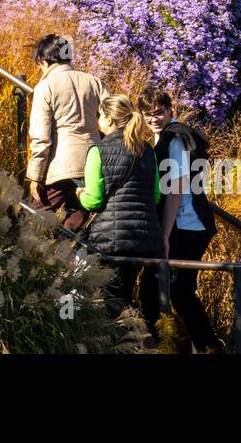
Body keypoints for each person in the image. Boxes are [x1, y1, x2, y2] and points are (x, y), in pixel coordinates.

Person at [146, 90, 225, 353]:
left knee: (166, 290)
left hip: (186, 224)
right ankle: (202, 346)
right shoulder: (165, 138)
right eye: (147, 115)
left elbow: (176, 189)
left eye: (158, 112)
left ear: (170, 109)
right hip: (188, 224)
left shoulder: (175, 138)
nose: (153, 118)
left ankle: (203, 347)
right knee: (177, 291)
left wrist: (165, 236)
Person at [78, 94, 163, 321]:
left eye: (99, 116)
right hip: (143, 239)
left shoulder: (99, 150)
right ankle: (134, 337)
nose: (97, 120)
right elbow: (155, 196)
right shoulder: (147, 151)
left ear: (109, 119)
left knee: (110, 301)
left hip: (111, 239)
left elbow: (94, 201)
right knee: (124, 294)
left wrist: (80, 194)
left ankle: (123, 340)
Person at [25, 34, 107, 232]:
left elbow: (41, 138)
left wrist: (34, 176)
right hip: (93, 161)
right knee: (75, 225)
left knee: (32, 222)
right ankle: (67, 259)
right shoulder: (94, 82)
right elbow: (113, 120)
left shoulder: (45, 87)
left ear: (43, 60)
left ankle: (42, 259)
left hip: (59, 166)